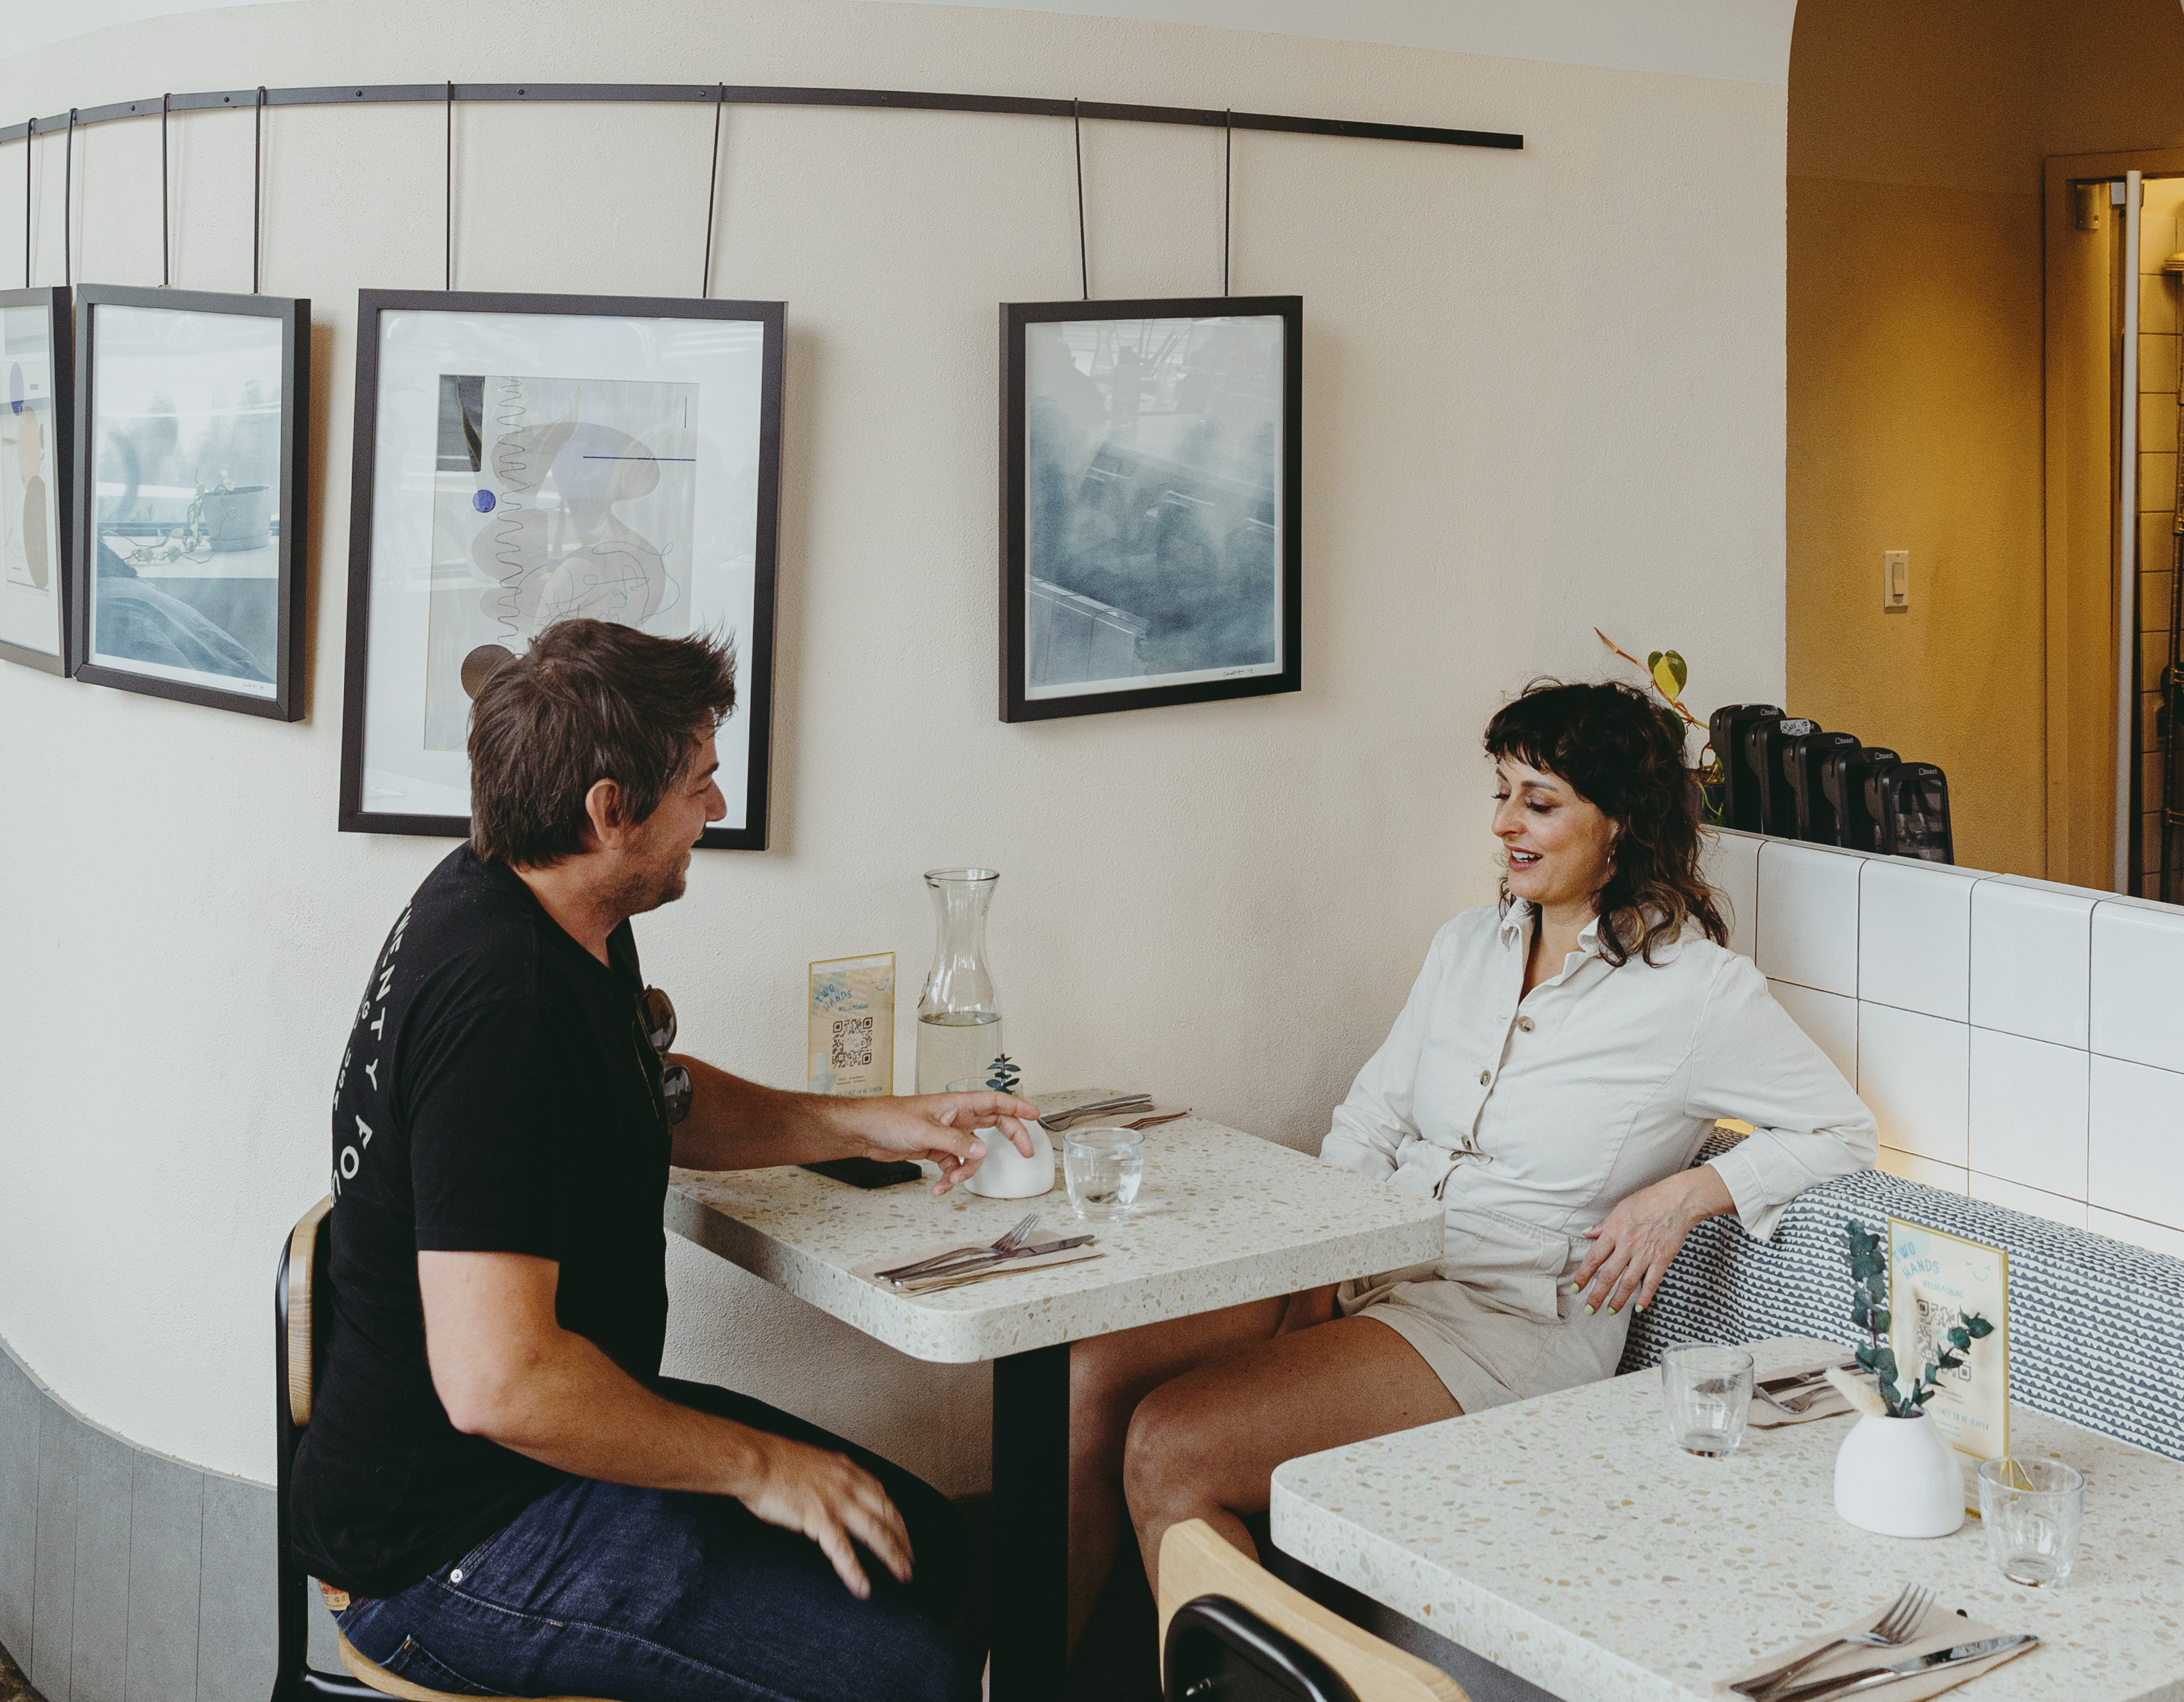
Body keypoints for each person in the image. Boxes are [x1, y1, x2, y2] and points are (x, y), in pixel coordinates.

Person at [291, 616, 1040, 1702]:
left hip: (531, 1461)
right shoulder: (503, 1009)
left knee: (934, 1552)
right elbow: (499, 1383)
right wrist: (760, 1466)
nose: (716, 806)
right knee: (906, 1678)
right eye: (699, 783)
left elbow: (640, 1090)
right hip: (450, 1540)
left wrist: (867, 1121)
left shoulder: (543, 898)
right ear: (609, 810)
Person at [1066, 678, 1877, 1641]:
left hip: (1503, 1320)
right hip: (1364, 1260)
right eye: (1501, 793)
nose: (1503, 823)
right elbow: (1370, 1120)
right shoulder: (1466, 946)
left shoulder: (1698, 992)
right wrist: (1314, 1268)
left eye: (1539, 801)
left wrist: (1687, 1194)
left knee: (1173, 1446)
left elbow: (1842, 1131)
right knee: (1089, 1380)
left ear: (1620, 821)